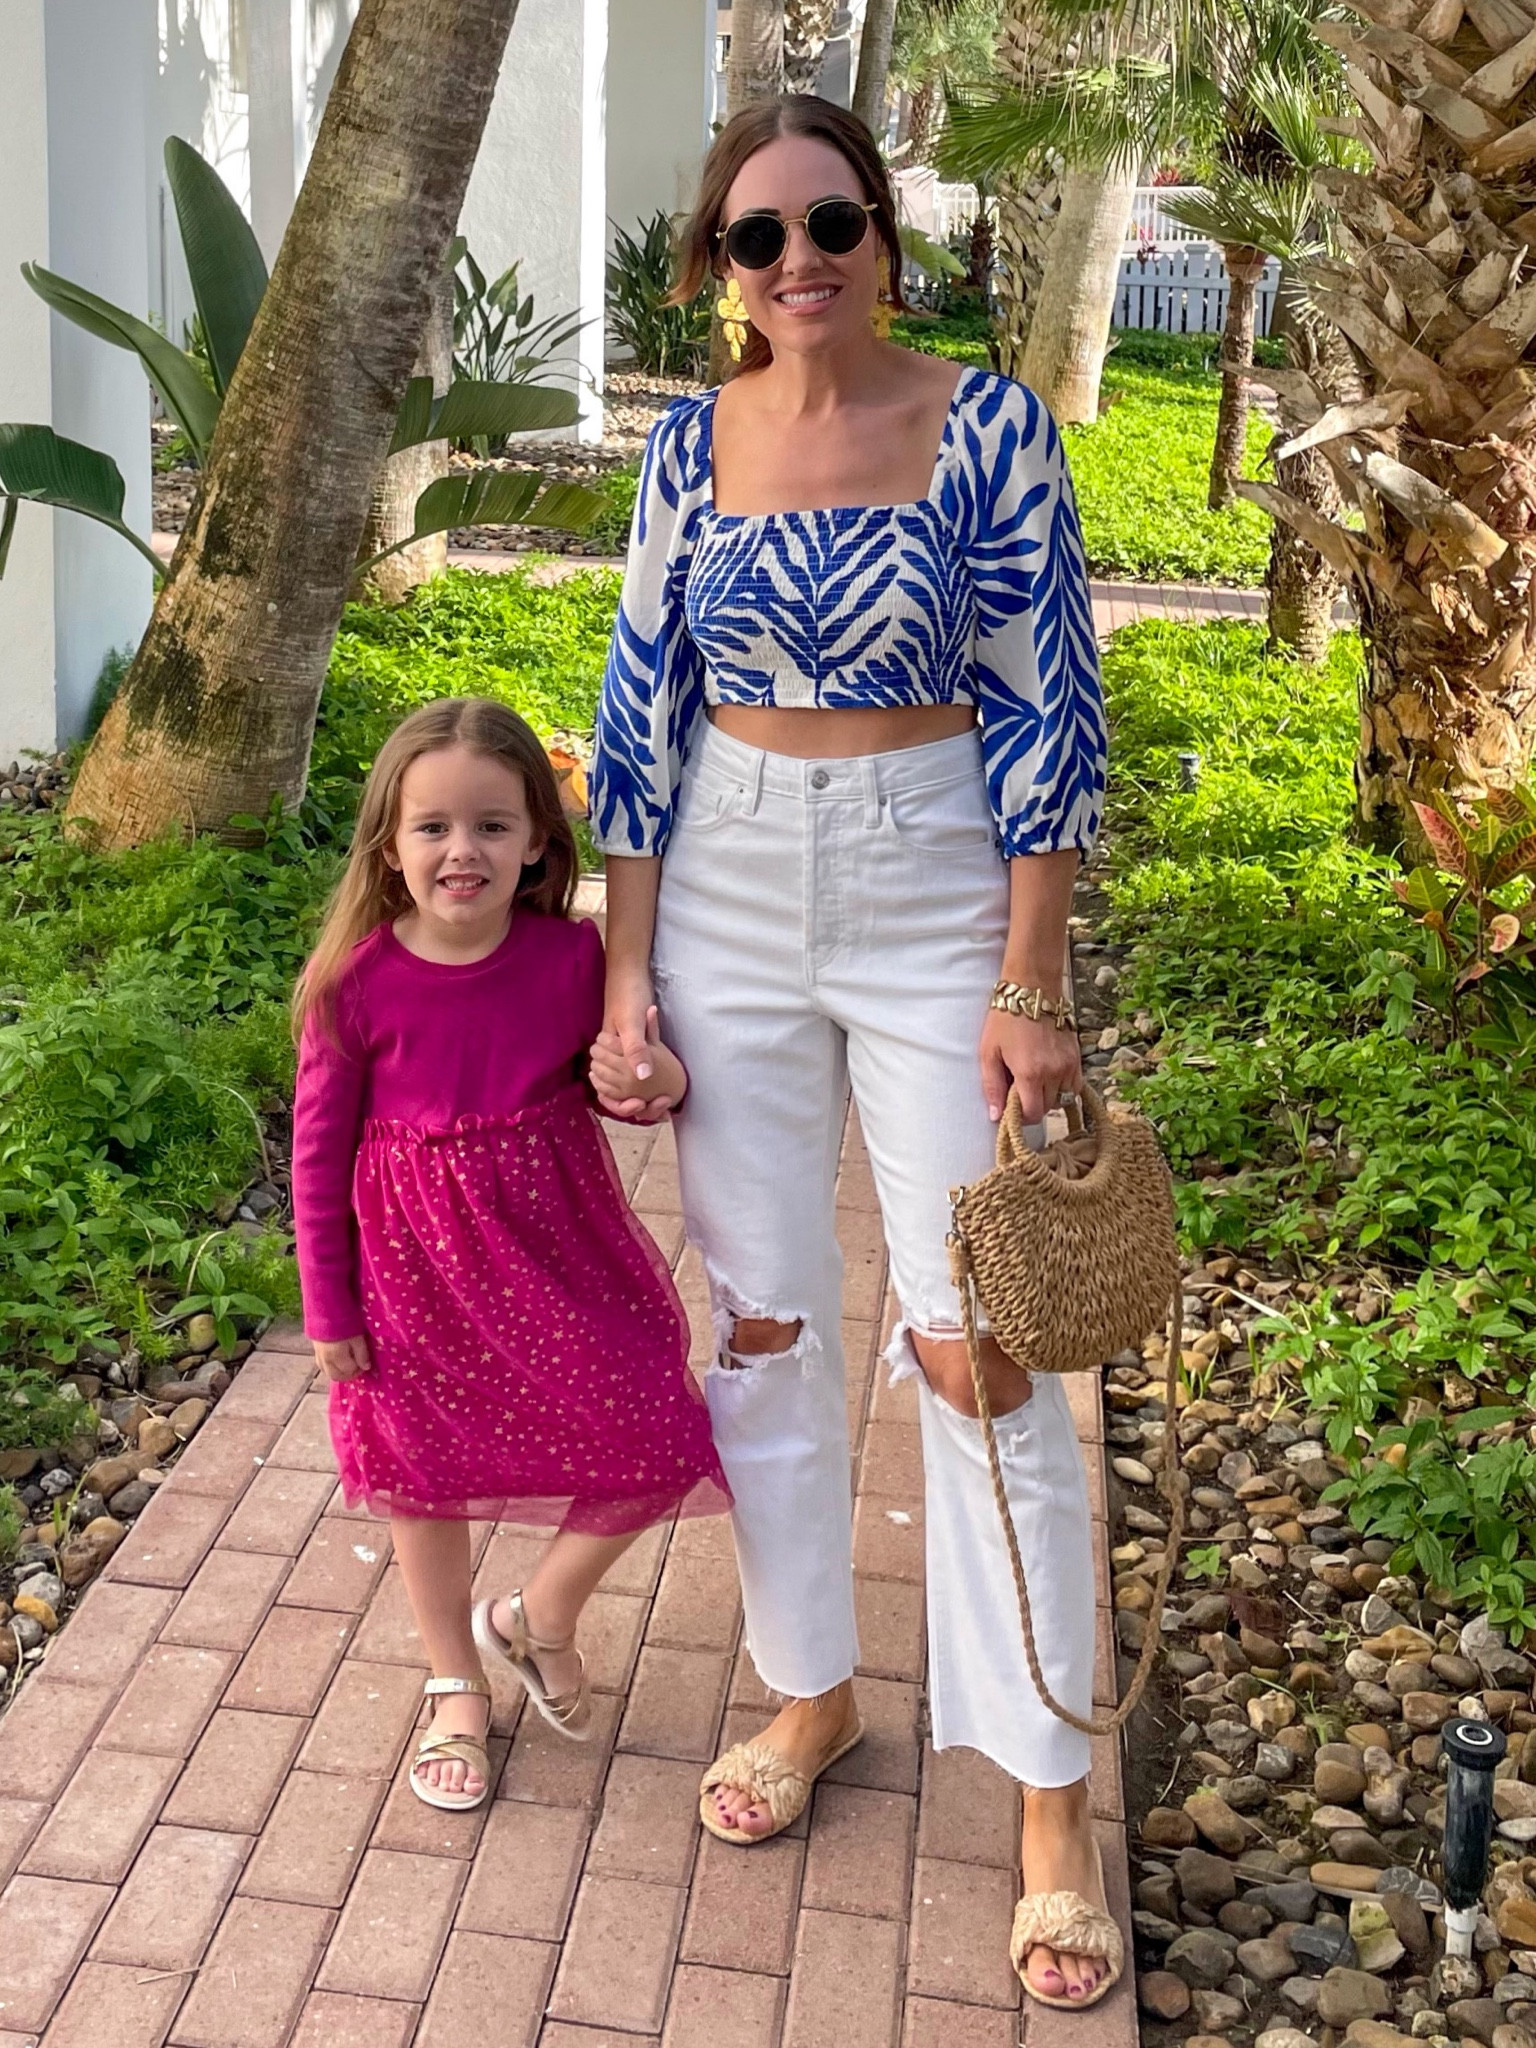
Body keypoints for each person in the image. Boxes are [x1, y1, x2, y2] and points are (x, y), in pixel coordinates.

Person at [588, 96, 1122, 2009]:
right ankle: (811, 1686)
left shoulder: (987, 427)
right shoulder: (683, 446)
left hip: (928, 875)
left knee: (980, 1334)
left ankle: (1049, 1771)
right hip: (722, 878)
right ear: (717, 269)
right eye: (756, 235)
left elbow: (1050, 698)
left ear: (885, 238)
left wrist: (1031, 978)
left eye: (831, 221)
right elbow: (636, 710)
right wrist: (625, 977)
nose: (797, 257)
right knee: (764, 1314)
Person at [291, 697, 729, 1814]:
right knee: (421, 1465)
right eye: (432, 826)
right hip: (412, 1270)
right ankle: (453, 1679)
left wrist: (661, 1084)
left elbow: (627, 1083)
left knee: (658, 1428)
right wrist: (329, 1305)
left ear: (539, 835)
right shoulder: (354, 982)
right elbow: (316, 1158)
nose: (461, 850)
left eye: (491, 824)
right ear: (390, 843)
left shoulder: (571, 956)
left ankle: (537, 1617)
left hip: (555, 1252)